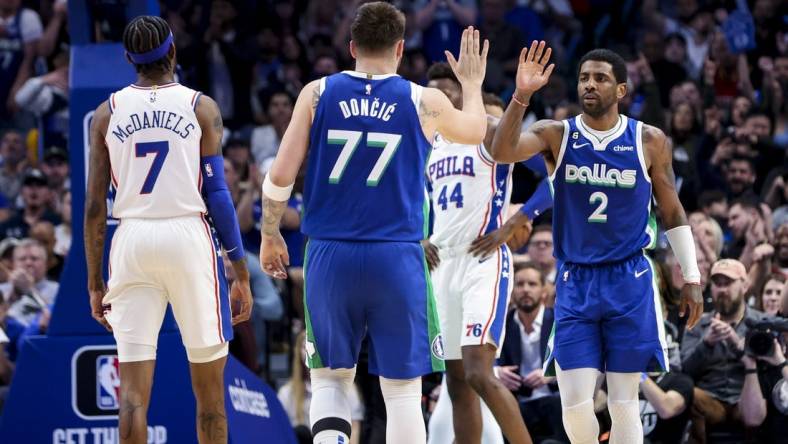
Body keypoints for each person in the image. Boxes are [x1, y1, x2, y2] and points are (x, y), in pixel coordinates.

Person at [259, 3, 489, 443]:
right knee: (402, 390)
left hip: (329, 253)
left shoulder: (317, 93)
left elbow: (280, 176)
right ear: (400, 48)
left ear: (352, 47)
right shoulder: (425, 99)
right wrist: (473, 85)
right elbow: (477, 132)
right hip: (397, 255)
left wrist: (270, 234)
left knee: (329, 380)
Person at [488, 43, 704, 444]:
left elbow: (672, 212)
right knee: (574, 402)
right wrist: (521, 95)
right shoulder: (556, 133)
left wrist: (691, 276)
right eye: (585, 77)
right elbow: (501, 152)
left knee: (624, 402)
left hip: (630, 279)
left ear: (621, 90)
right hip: (576, 279)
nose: (590, 84)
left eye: (601, 78)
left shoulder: (649, 140)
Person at [83, 16, 252, 444]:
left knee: (133, 398)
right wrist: (240, 268)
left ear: (128, 60)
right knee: (210, 396)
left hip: (131, 237)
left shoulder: (106, 113)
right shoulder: (201, 107)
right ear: (173, 52)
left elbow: (91, 209)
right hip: (187, 237)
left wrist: (94, 283)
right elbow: (218, 195)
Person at [421, 61, 532, 444]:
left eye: (442, 91)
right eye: (429, 90)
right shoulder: (430, 143)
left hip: (481, 261)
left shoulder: (486, 129)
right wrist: (417, 237)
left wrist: (517, 221)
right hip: (442, 262)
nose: (433, 98)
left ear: (459, 93)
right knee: (455, 382)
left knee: (479, 373)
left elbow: (553, 171)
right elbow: (410, 199)